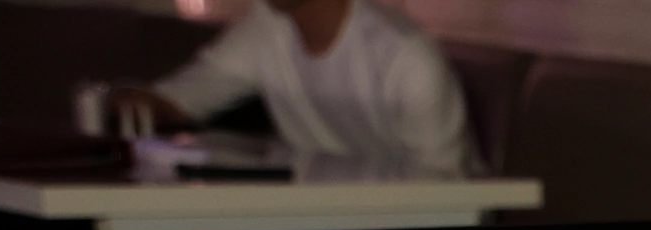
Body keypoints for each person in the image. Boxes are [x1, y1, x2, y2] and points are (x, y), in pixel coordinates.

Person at [116, 0, 473, 180]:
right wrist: (117, 104)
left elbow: (446, 185)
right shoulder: (266, 27)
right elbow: (179, 98)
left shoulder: (404, 55)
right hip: (310, 219)